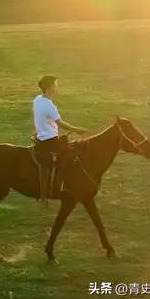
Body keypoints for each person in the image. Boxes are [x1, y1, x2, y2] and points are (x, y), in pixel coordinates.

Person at [32, 75, 88, 207]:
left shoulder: (38, 99)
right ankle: (59, 187)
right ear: (50, 88)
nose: (57, 88)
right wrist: (77, 130)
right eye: (56, 85)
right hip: (49, 140)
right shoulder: (49, 106)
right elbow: (61, 124)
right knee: (70, 155)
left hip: (41, 137)